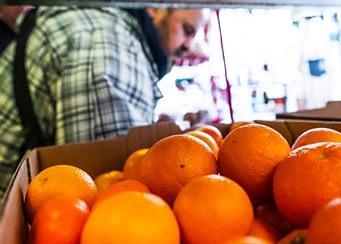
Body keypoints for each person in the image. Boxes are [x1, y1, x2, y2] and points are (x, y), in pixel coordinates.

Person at [0, 6, 210, 199]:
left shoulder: (108, 30)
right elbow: (108, 182)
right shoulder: (105, 44)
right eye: (187, 30)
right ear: (155, 7)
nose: (188, 45)